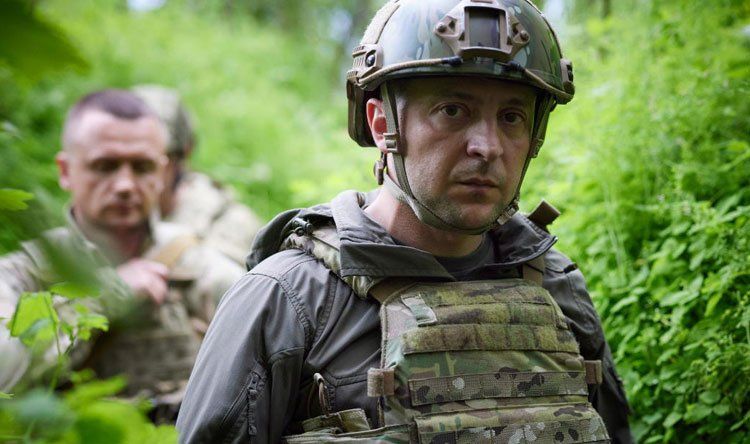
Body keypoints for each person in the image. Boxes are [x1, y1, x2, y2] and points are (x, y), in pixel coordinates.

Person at [177, 0, 633, 442]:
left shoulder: (555, 284)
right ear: (382, 125)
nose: (488, 146)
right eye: (453, 111)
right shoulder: (288, 300)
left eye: (511, 117)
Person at [0, 89, 244, 422]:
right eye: (105, 166)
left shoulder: (199, 268)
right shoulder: (26, 275)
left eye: (142, 167)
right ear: (66, 170)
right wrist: (105, 297)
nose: (125, 185)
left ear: (162, 173)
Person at [132, 85, 264, 266]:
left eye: (142, 164)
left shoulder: (230, 227)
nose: (124, 180)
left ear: (182, 155)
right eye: (109, 164)